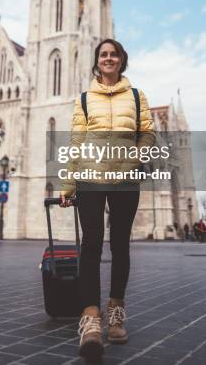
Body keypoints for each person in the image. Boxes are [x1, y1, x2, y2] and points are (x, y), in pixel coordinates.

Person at [60, 39, 155, 361]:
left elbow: (148, 133)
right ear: (97, 62)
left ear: (121, 60)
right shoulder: (84, 99)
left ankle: (116, 312)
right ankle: (90, 320)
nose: (109, 58)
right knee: (91, 245)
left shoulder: (137, 97)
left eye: (114, 54)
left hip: (126, 179)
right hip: (90, 178)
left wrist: (136, 157)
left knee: (120, 246)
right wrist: (67, 183)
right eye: (104, 55)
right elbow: (76, 141)